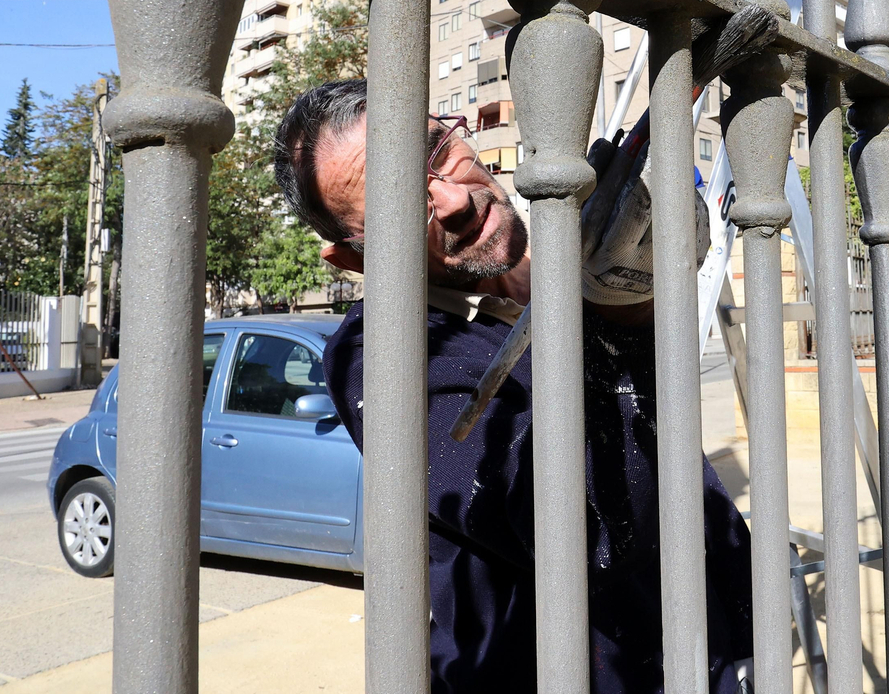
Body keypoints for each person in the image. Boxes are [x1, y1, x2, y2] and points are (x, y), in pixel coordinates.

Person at [273, 78, 753, 693]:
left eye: (436, 153)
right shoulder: (384, 357)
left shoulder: (561, 250)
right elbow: (590, 526)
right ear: (353, 259)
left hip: (714, 642)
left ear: (460, 132)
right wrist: (623, 319)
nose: (452, 201)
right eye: (398, 203)